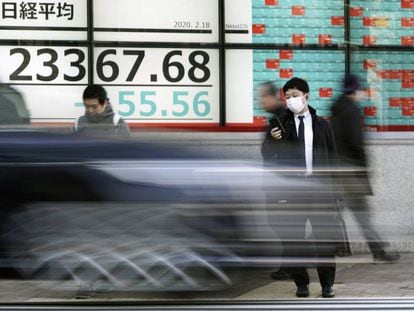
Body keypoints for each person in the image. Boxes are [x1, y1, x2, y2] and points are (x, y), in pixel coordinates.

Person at [268, 77, 337, 298]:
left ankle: (327, 285)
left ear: (306, 96)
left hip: (319, 190)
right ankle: (301, 284)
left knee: (324, 240)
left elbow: (332, 158)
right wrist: (273, 141)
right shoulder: (280, 124)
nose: (291, 100)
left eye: (295, 95)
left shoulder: (322, 125)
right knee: (293, 241)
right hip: (292, 191)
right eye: (287, 97)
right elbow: (268, 158)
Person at [330, 74, 400, 263]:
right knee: (362, 215)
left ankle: (374, 250)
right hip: (352, 172)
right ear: (355, 89)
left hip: (338, 170)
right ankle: (378, 251)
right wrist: (364, 169)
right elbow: (356, 142)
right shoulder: (351, 110)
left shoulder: (336, 108)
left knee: (337, 213)